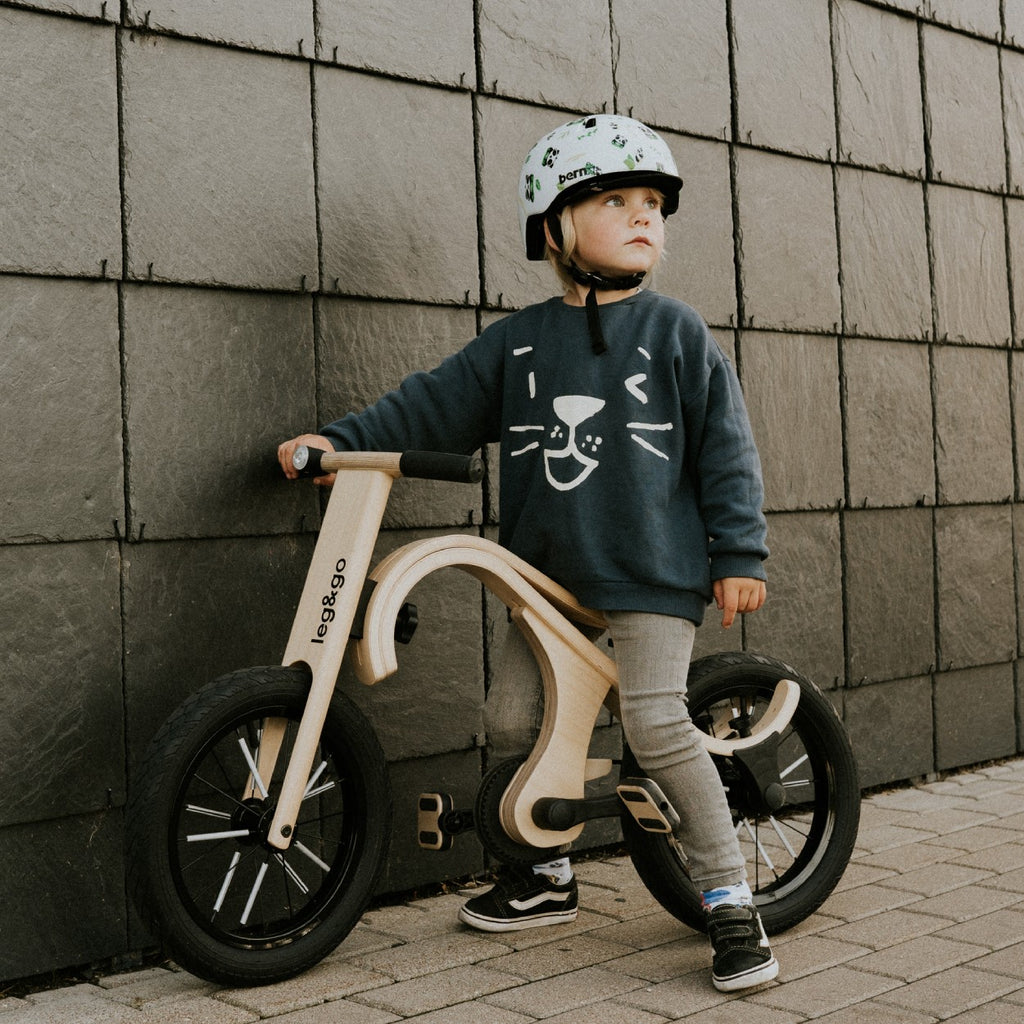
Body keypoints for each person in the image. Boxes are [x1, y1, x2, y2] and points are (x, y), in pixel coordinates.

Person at [278, 114, 776, 992]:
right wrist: (340, 443)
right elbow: (428, 406)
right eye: (615, 201)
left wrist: (739, 551)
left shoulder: (677, 332)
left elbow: (726, 449)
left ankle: (731, 899)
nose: (643, 215)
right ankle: (544, 873)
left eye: (654, 203)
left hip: (654, 576)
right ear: (554, 230)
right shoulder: (519, 343)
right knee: (514, 722)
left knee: (657, 726)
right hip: (548, 581)